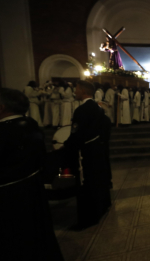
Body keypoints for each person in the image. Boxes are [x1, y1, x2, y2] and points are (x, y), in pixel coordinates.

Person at [0, 88, 63, 260]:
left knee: (15, 235)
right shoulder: (31, 125)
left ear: (2, 107)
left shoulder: (5, 131)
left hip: (9, 193)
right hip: (33, 186)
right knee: (36, 228)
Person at [61, 81, 112, 230]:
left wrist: (65, 145)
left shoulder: (82, 110)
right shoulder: (98, 108)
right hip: (97, 149)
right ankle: (102, 207)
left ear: (83, 91)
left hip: (86, 152)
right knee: (98, 180)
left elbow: (77, 134)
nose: (74, 92)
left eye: (76, 89)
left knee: (86, 184)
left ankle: (88, 218)